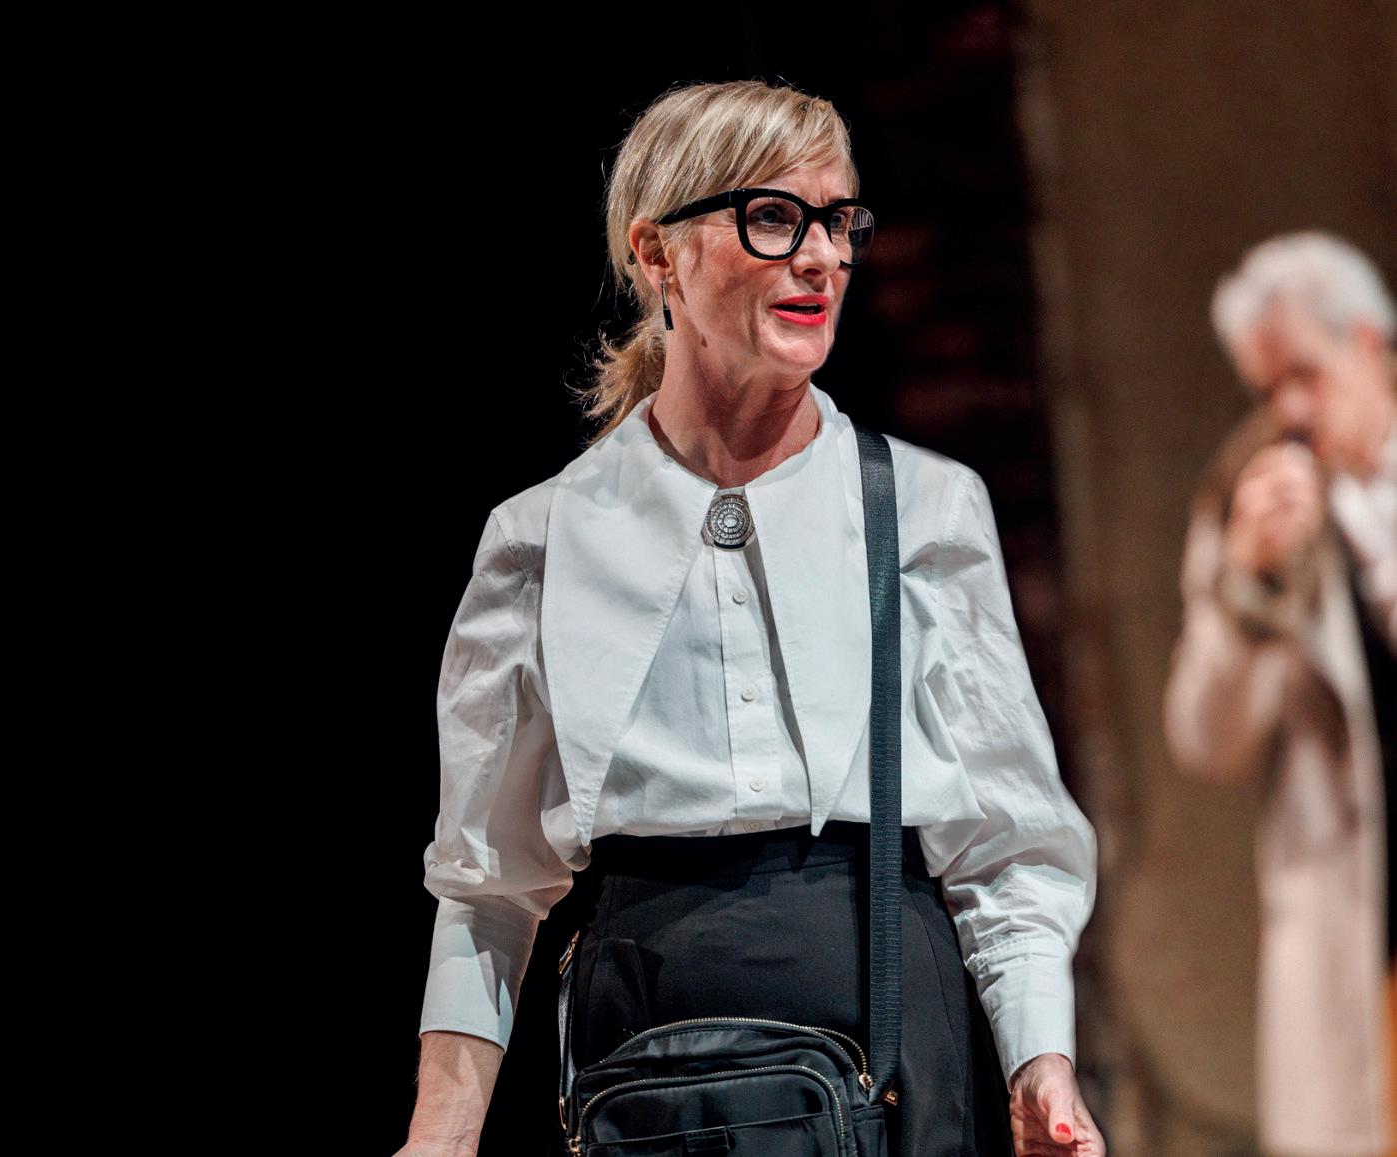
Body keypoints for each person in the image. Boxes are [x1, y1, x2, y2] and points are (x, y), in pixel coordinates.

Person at [399, 79, 1103, 1157]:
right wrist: (439, 1139)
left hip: (892, 1044)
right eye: (774, 217)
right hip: (649, 1057)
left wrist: (1038, 1059)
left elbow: (1007, 841)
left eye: (838, 221)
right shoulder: (543, 538)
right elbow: (486, 885)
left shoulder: (923, 507)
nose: (820, 256)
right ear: (658, 254)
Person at [1162, 231, 1397, 1157]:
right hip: (1355, 934)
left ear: (1368, 343)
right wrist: (1250, 587)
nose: (1291, 409)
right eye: (1269, 388)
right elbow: (1204, 739)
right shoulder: (1248, 501)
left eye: (1306, 373)